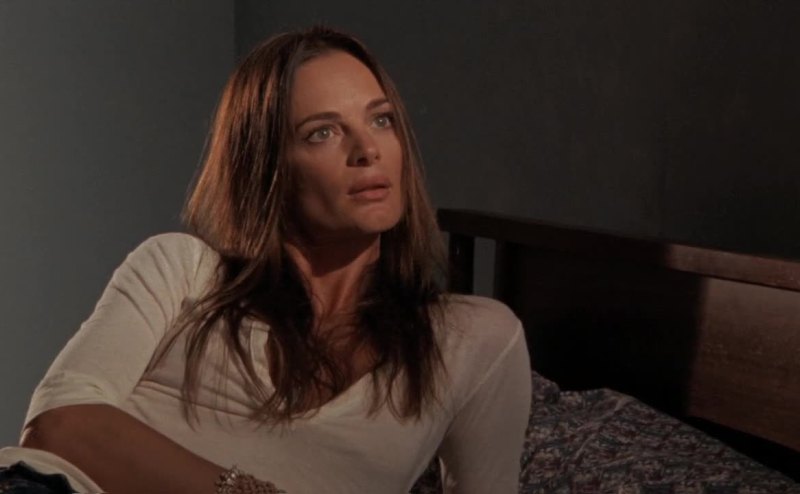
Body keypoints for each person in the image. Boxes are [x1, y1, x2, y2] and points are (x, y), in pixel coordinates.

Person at [0, 26, 531, 493]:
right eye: (322, 132)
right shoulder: (182, 269)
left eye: (381, 120)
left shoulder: (473, 339)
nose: (367, 150)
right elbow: (58, 425)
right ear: (266, 166)